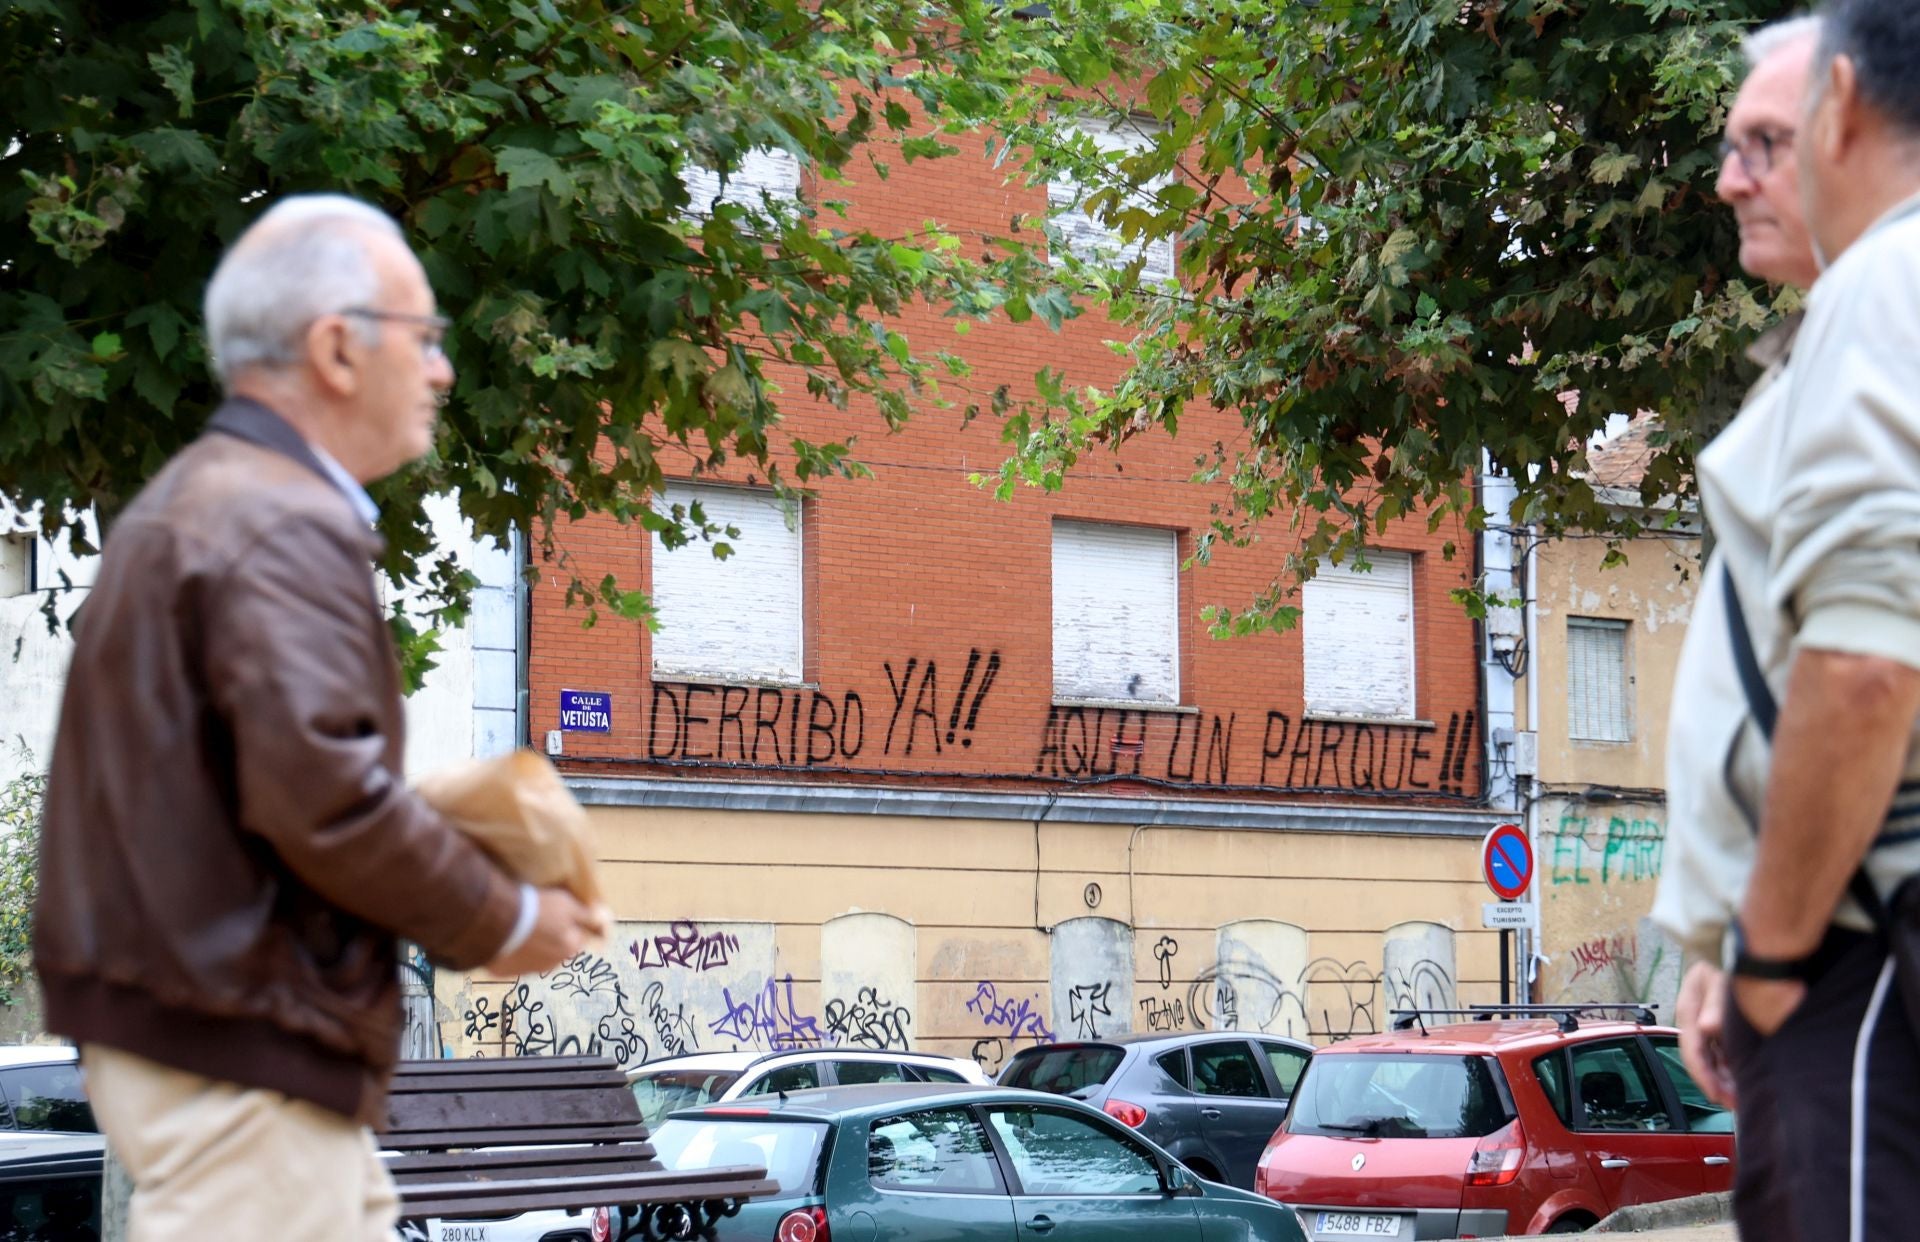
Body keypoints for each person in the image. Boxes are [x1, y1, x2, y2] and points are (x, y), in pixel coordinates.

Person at [31, 195, 601, 1241]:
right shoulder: (275, 522)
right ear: (337, 347)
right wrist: (508, 921)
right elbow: (323, 794)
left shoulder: (211, 502)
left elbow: (255, 784)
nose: (440, 369)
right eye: (424, 338)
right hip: (240, 1033)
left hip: (210, 1024)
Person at [1654, 2, 1920, 1238]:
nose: (1731, 179)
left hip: (1856, 954)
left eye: (1765, 140)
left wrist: (1767, 958)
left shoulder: (1886, 282)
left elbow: (1866, 668)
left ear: (1845, 103)